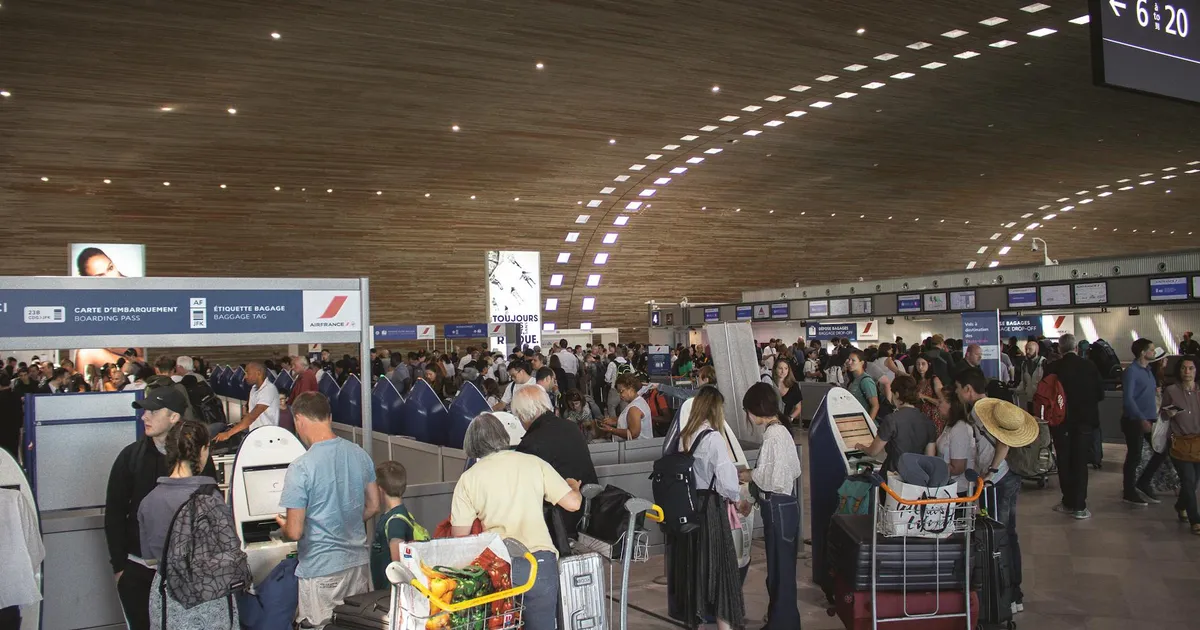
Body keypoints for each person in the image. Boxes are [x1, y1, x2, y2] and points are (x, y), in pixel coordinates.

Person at [451, 413, 583, 630]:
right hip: (539, 563)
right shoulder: (534, 463)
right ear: (503, 436)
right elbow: (573, 504)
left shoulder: (469, 479)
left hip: (498, 567)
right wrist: (573, 487)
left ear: (471, 443)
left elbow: (460, 536)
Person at [105, 388, 214, 630]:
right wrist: (120, 568)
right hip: (138, 570)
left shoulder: (198, 459)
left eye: (153, 411)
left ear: (174, 417)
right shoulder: (131, 457)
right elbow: (114, 512)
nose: (145, 416)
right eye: (145, 411)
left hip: (187, 573)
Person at [276, 392, 379, 628]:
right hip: (358, 566)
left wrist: (283, 527)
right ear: (329, 417)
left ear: (299, 419)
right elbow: (373, 505)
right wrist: (344, 520)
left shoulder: (300, 467)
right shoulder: (359, 454)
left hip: (321, 569)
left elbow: (294, 532)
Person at [138, 420, 240, 629]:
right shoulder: (210, 498)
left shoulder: (148, 501)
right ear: (203, 451)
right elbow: (231, 553)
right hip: (209, 597)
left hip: (167, 598)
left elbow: (149, 560)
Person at [665, 387, 746, 630]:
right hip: (711, 509)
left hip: (688, 507)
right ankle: (725, 625)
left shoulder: (685, 437)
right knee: (721, 568)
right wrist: (739, 499)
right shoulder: (713, 439)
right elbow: (727, 482)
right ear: (715, 409)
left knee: (695, 567)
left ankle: (696, 620)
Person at [955, 369, 1035, 615]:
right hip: (1008, 477)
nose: (957, 393)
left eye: (958, 388)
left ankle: (1007, 595)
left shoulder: (982, 412)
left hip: (999, 480)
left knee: (1000, 537)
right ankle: (1013, 594)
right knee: (1007, 535)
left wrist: (990, 471)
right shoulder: (989, 407)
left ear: (968, 389)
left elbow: (1003, 441)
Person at [739, 383, 801, 630]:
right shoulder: (782, 430)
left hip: (777, 507)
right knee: (781, 570)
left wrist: (749, 475)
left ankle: (782, 625)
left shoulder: (773, 435)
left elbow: (769, 478)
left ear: (755, 410)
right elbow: (793, 470)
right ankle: (782, 621)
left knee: (780, 573)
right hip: (786, 507)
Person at [1043, 334, 1104, 519]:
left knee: (1064, 461)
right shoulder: (1089, 366)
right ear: (1076, 347)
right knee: (1079, 462)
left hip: (1061, 423)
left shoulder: (1053, 367)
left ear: (1059, 349)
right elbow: (1100, 394)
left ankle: (1067, 501)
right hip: (1084, 421)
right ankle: (1080, 506)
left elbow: (1045, 395)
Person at [854, 374, 938, 475]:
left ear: (897, 394)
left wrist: (861, 446)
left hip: (892, 475)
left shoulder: (891, 419)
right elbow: (929, 457)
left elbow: (873, 452)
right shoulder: (928, 422)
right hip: (916, 477)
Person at [1122, 338, 1165, 506]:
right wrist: (1141, 419)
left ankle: (1143, 482)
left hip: (1150, 418)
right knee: (1134, 456)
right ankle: (1129, 491)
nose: (1154, 353)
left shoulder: (1147, 370)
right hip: (1134, 420)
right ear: (1142, 352)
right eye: (1152, 350)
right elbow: (1128, 399)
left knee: (1161, 450)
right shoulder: (1132, 371)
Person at [1161, 356, 1200, 534]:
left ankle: (1180, 505)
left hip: (1198, 442)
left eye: (1190, 368)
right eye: (1184, 368)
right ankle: (1195, 520)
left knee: (1193, 483)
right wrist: (1168, 414)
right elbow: (1162, 413)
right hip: (1180, 441)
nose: (1187, 372)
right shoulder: (1171, 390)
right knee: (1188, 480)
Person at [370, 461, 424, 590]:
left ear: (380, 489)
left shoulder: (395, 522)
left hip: (390, 594)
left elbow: (398, 566)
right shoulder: (398, 515)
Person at [215, 362, 279, 442]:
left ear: (258, 373)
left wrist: (228, 434)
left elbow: (252, 416)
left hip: (267, 437)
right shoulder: (254, 388)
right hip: (256, 435)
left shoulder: (268, 389)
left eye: (247, 373)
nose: (245, 377)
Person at [598, 373, 651, 441]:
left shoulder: (634, 408)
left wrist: (611, 430)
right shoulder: (638, 402)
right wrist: (615, 420)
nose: (620, 395)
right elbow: (631, 420)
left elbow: (633, 434)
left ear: (631, 388)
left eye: (621, 391)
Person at [845, 350, 880, 420]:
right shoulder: (853, 379)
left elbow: (875, 406)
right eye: (849, 359)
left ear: (862, 363)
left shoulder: (866, 381)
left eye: (853, 360)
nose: (849, 362)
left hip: (863, 423)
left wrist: (869, 425)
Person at [1015, 340, 1045, 407]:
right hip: (1029, 399)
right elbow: (1023, 381)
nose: (1027, 351)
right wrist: (1017, 391)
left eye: (1030, 349)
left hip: (1040, 399)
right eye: (1026, 349)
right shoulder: (1024, 364)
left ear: (1036, 350)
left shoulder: (1044, 363)